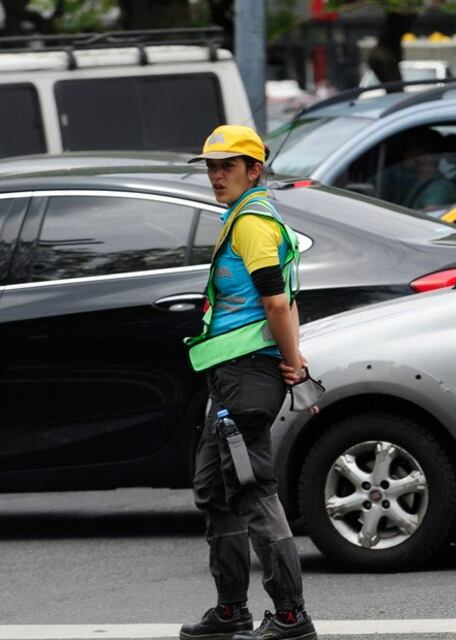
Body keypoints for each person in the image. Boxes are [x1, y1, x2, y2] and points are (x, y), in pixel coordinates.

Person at [180, 125, 317, 640]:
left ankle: (289, 616)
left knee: (252, 489)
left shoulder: (253, 223)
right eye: (212, 167)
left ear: (254, 170)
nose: (216, 176)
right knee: (214, 490)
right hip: (229, 373)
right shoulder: (243, 216)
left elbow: (276, 302)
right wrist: (293, 355)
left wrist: (293, 364)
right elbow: (286, 296)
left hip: (246, 375)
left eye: (227, 166)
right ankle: (231, 609)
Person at [401, 128, 456, 211]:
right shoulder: (420, 182)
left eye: (409, 149)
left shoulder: (439, 189)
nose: (404, 154)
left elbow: (428, 218)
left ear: (423, 156)